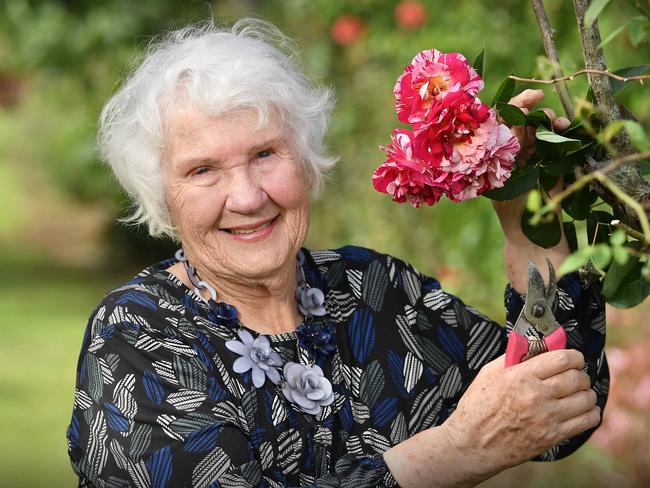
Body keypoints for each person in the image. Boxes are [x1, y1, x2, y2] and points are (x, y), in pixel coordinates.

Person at [66, 19, 608, 488]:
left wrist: (525, 220)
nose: (249, 196)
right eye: (202, 170)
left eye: (265, 153)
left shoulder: (374, 290)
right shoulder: (136, 338)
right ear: (162, 197)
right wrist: (459, 451)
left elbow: (560, 409)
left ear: (304, 160)